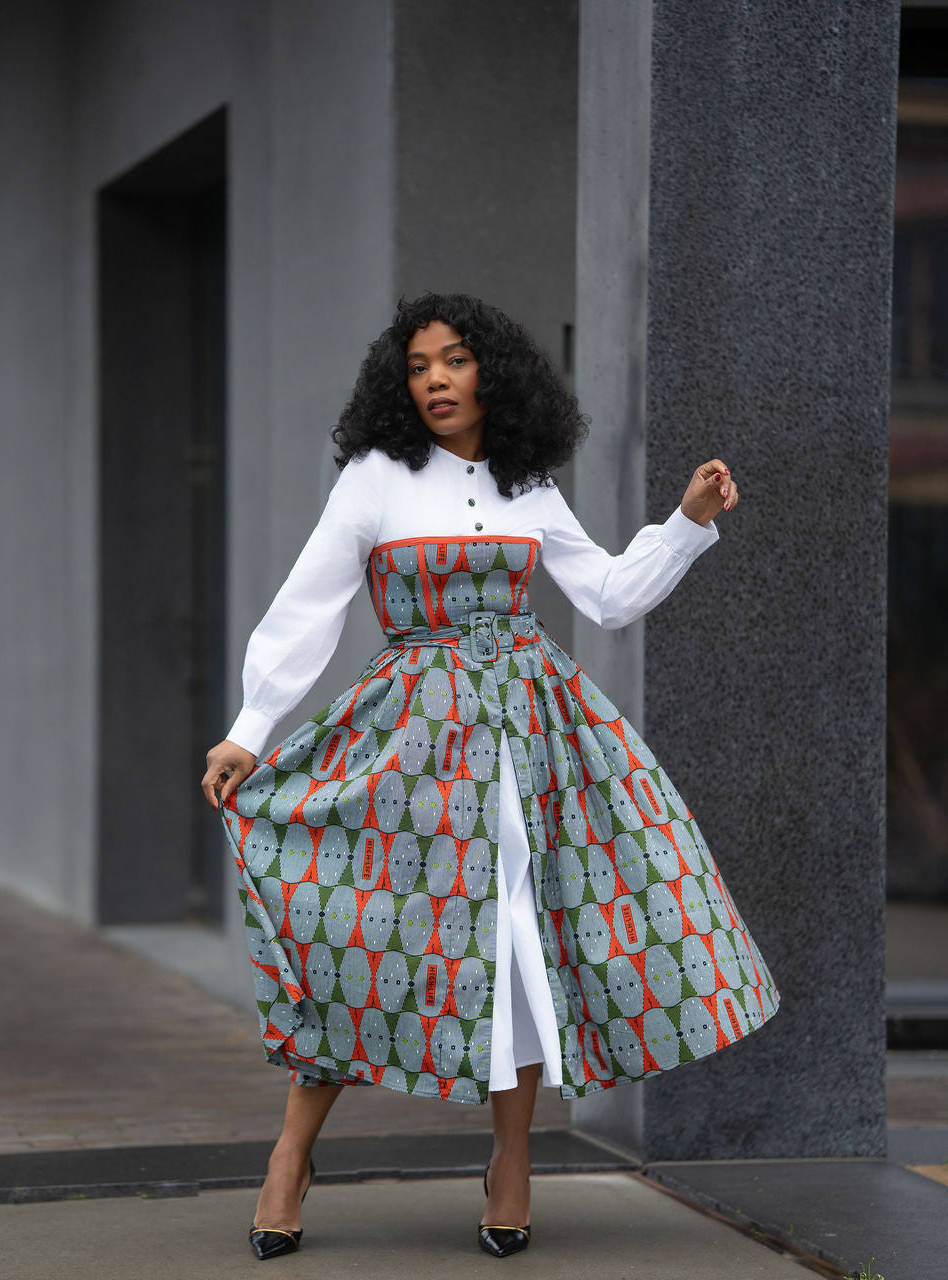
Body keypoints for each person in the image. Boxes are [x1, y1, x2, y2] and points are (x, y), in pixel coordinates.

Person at [201, 293, 779, 1260]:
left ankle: (511, 1162)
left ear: (490, 375)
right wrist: (250, 729)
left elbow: (604, 594)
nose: (435, 379)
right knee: (359, 935)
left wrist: (684, 522)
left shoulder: (528, 486)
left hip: (532, 744)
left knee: (518, 943)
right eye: (419, 364)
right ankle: (291, 1157)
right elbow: (310, 605)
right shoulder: (375, 479)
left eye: (455, 361)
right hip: (414, 747)